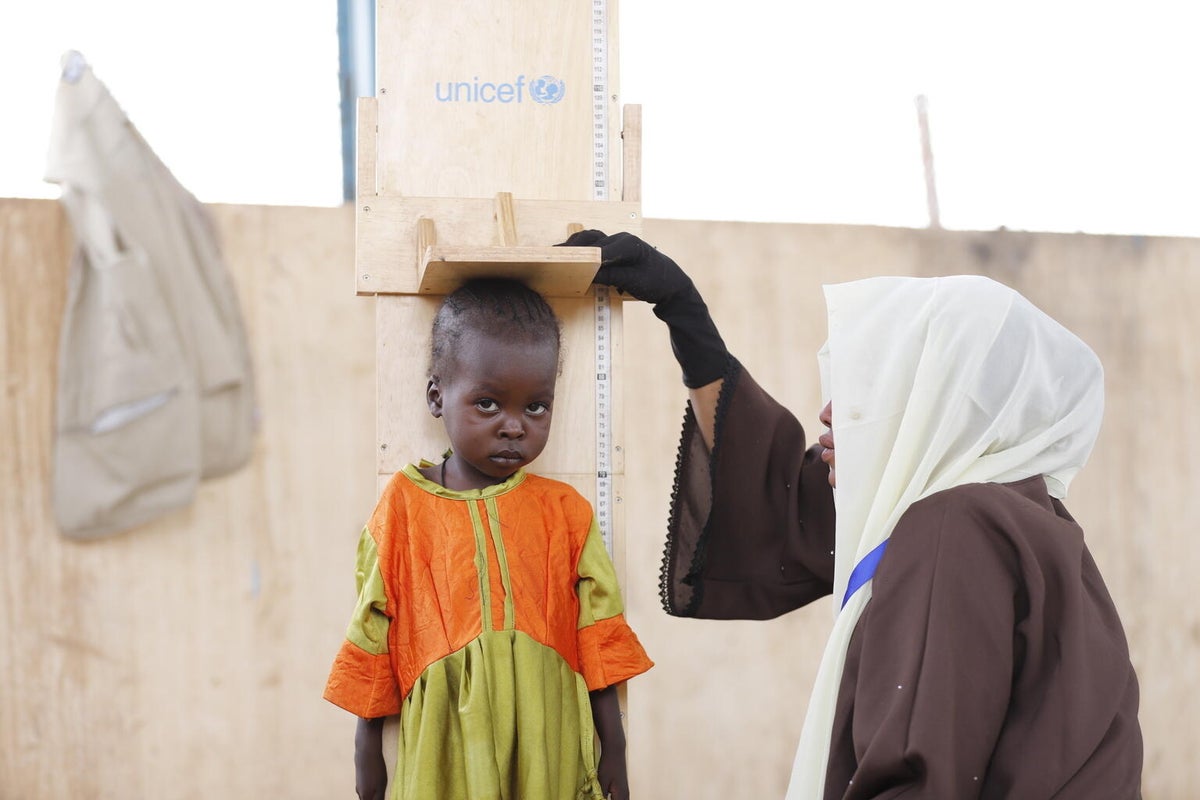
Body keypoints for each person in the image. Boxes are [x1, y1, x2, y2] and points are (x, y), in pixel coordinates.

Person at [564, 230, 1143, 799]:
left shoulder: (955, 528)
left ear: (935, 403)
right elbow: (786, 507)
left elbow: (919, 777)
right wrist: (684, 316)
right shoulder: (1031, 519)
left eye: (872, 392)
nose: (830, 413)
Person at [323, 278, 653, 800]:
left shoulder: (566, 513)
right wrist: (366, 753)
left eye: (536, 407)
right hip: (444, 749)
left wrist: (614, 748)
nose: (514, 426)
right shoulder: (403, 507)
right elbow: (373, 629)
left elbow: (599, 633)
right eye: (488, 404)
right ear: (437, 396)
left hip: (547, 740)